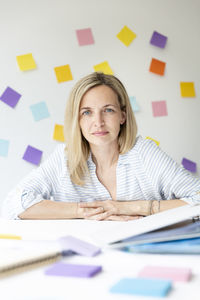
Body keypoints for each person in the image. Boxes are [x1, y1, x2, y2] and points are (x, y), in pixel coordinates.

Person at [1, 72, 200, 220]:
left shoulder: (144, 154)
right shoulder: (64, 158)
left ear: (123, 116)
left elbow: (197, 199)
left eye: (108, 110)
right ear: (76, 120)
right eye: (87, 112)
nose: (98, 122)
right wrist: (83, 211)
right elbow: (14, 203)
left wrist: (129, 208)